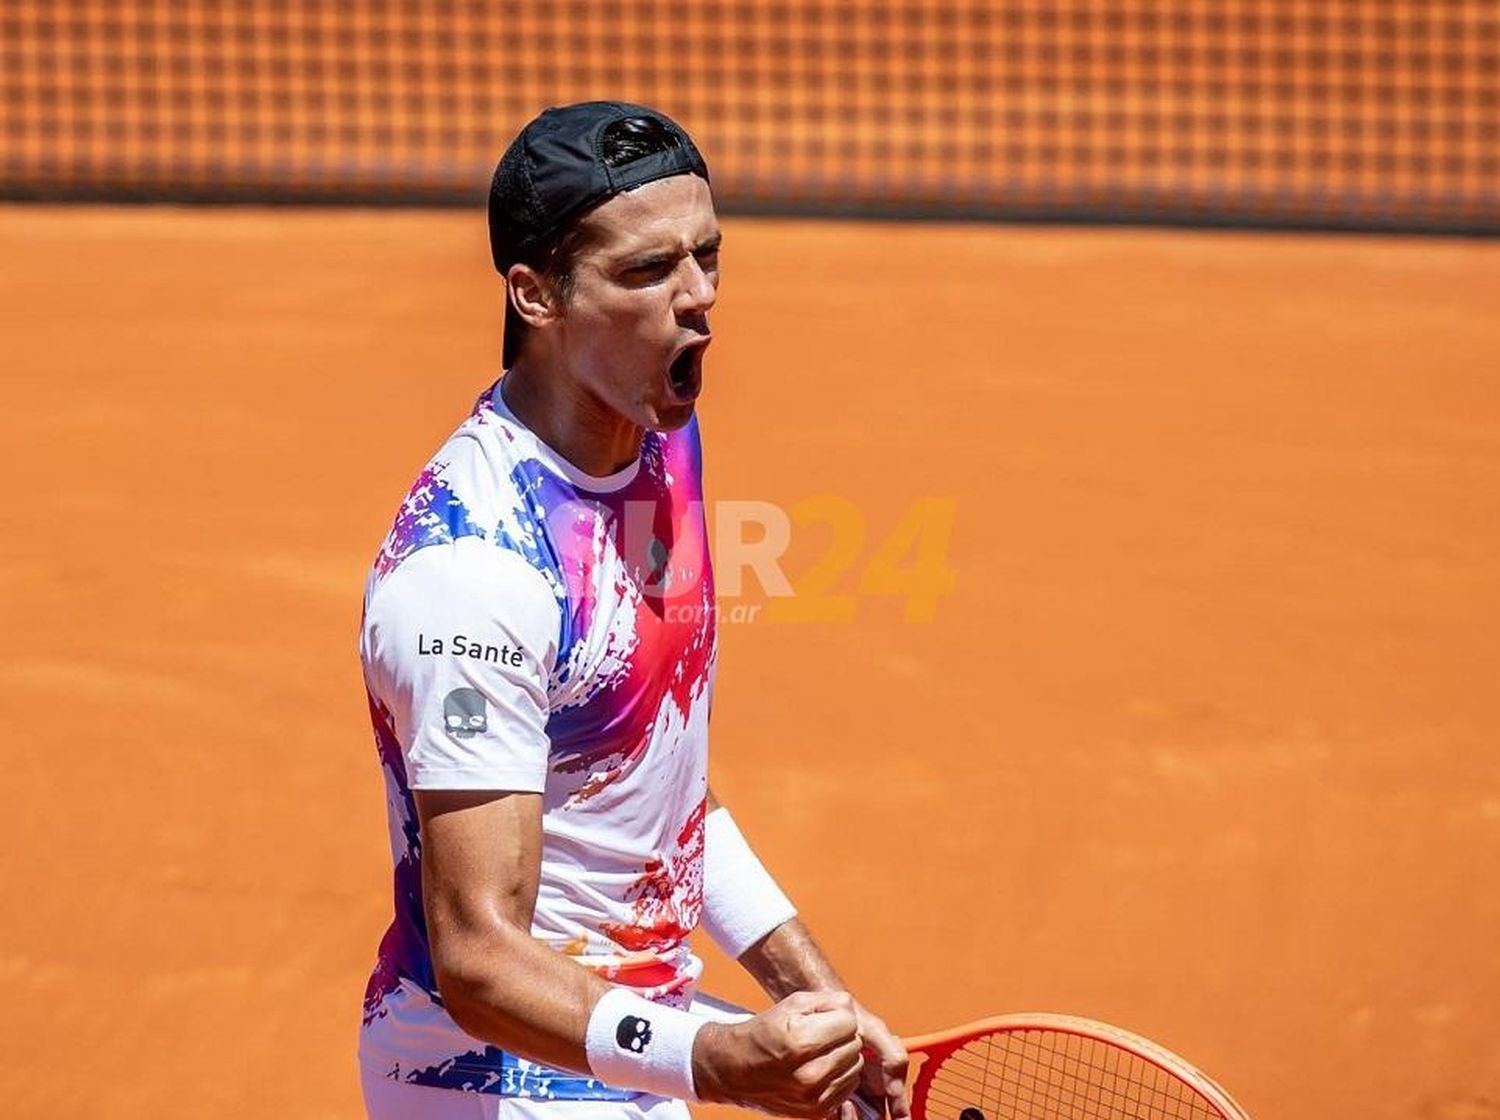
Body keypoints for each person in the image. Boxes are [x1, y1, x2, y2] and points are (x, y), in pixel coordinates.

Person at [357, 101, 909, 1120]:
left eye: (707, 255)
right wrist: (716, 1058)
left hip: (625, 1039)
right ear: (535, 294)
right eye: (647, 271)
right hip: (492, 1076)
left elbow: (649, 796)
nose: (698, 298)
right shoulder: (473, 571)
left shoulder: (660, 445)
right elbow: (478, 958)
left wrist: (810, 991)